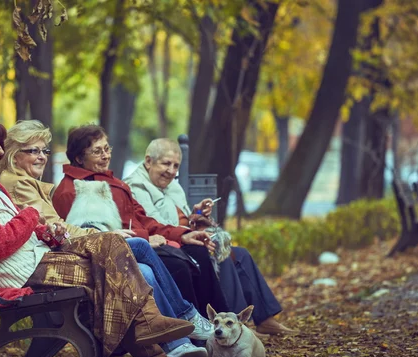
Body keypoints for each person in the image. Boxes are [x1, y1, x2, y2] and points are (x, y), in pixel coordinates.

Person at [0, 115, 199, 357]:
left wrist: (47, 232)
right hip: (21, 271)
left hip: (34, 260)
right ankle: (150, 336)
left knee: (112, 246)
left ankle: (150, 343)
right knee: (117, 265)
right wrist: (31, 215)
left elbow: (15, 230)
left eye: (0, 144)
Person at [52, 125, 230, 319]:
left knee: (199, 252)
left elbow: (144, 220)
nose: (105, 156)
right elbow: (86, 236)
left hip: (142, 244)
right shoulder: (71, 190)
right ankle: (190, 333)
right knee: (179, 266)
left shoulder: (113, 183)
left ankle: (222, 322)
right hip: (119, 255)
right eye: (97, 151)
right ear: (79, 158)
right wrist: (147, 238)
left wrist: (183, 234)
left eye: (106, 149)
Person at [123, 138, 297, 335]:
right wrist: (189, 229)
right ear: (148, 161)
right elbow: (156, 225)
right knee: (224, 257)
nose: (171, 171)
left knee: (242, 255)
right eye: (165, 163)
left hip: (187, 237)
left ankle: (265, 318)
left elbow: (181, 219)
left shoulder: (171, 186)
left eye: (175, 166)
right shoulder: (136, 188)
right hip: (173, 245)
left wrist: (196, 215)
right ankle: (234, 324)